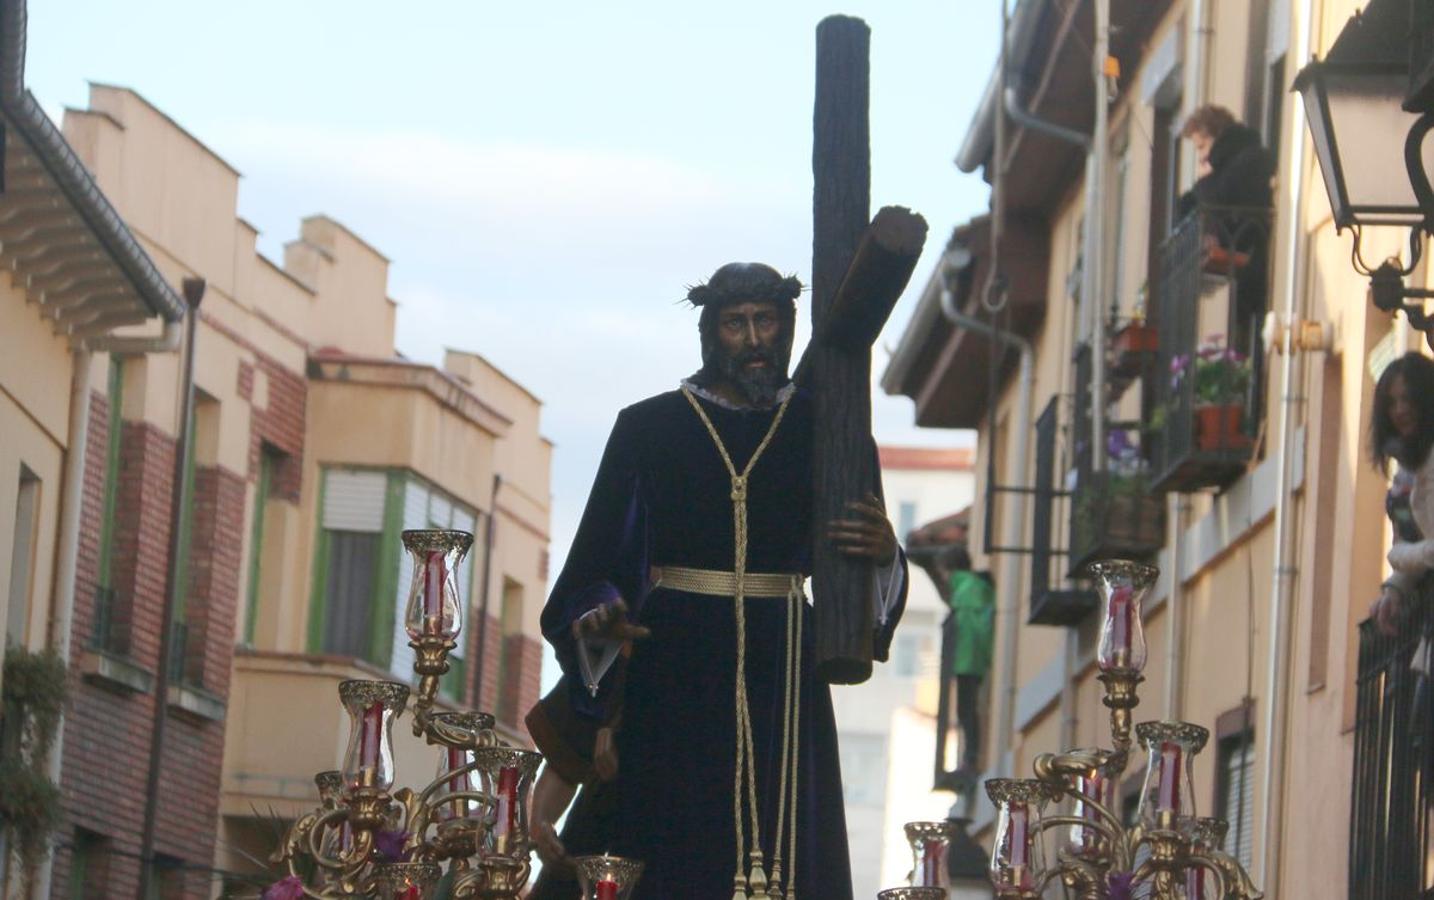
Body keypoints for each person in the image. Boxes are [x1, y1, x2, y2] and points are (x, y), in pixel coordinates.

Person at [541, 262, 907, 899]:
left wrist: (883, 554)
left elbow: (862, 576)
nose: (754, 338)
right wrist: (599, 615)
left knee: (786, 841)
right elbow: (596, 568)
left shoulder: (833, 432)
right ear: (710, 334)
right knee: (663, 847)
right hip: (673, 665)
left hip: (782, 666)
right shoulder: (647, 429)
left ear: (787, 328)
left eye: (766, 321)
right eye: (735, 324)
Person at [1177, 105, 1277, 371]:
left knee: (1249, 328)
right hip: (1251, 267)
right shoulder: (1239, 162)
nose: (1201, 158)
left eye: (1202, 147)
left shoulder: (1250, 159)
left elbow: (1222, 195)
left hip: (1260, 264)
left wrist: (1200, 188)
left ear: (1218, 137)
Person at [1369, 353, 1434, 640]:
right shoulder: (1407, 467)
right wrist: (1395, 588)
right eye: (1392, 403)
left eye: (1407, 399)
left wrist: (1399, 555)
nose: (1400, 410)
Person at [942, 547, 993, 777]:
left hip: (967, 661)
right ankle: (969, 758)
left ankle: (971, 758)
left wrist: (964, 660)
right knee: (967, 710)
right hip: (972, 660)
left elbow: (971, 630)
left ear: (948, 569)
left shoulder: (965, 589)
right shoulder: (973, 586)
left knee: (966, 711)